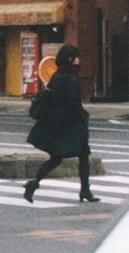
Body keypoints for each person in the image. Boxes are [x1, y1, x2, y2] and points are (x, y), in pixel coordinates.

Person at [24, 45, 101, 204]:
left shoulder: (57, 75)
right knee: (83, 155)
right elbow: (73, 102)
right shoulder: (71, 78)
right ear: (71, 59)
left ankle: (34, 182)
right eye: (76, 56)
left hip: (55, 123)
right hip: (70, 124)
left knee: (56, 158)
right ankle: (85, 190)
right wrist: (83, 115)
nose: (79, 59)